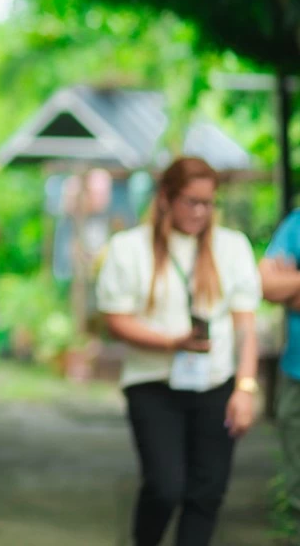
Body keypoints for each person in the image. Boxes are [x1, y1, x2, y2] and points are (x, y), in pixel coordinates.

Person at [96, 156, 261, 546]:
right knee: (165, 486)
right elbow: (115, 319)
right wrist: (172, 343)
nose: (200, 212)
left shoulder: (232, 247)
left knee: (207, 493)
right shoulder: (129, 247)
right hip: (152, 384)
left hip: (216, 383)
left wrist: (246, 387)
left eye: (208, 203)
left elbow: (246, 326)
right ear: (167, 197)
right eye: (191, 201)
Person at [259, 208, 300, 527]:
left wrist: (293, 284)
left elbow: (282, 287)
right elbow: (266, 285)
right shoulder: (296, 223)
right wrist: (283, 288)